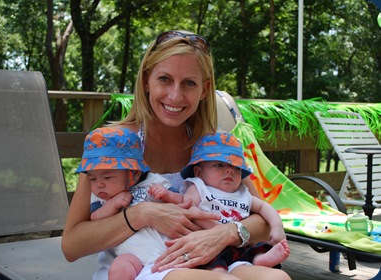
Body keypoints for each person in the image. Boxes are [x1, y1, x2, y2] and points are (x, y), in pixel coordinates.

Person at [62, 30, 291, 280]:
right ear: (147, 79)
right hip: (142, 268)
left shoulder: (214, 144)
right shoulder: (113, 144)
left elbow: (262, 220)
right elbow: (72, 246)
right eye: (164, 79)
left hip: (210, 263)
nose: (175, 96)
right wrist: (142, 214)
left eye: (189, 83)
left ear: (204, 90)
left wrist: (223, 234)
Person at [76, 126, 183, 280]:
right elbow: (95, 218)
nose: (99, 184)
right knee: (118, 270)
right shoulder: (102, 197)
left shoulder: (153, 182)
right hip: (131, 257)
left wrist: (167, 195)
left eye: (107, 177)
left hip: (169, 251)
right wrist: (112, 204)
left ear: (134, 174)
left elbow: (181, 201)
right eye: (93, 178)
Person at [180, 131, 290, 274]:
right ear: (199, 173)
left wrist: (277, 227)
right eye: (219, 165)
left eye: (236, 168)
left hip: (240, 245)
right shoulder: (199, 188)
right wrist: (214, 227)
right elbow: (189, 208)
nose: (230, 170)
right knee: (216, 266)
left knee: (258, 248)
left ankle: (259, 259)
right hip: (209, 246)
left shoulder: (242, 193)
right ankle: (222, 272)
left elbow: (264, 207)